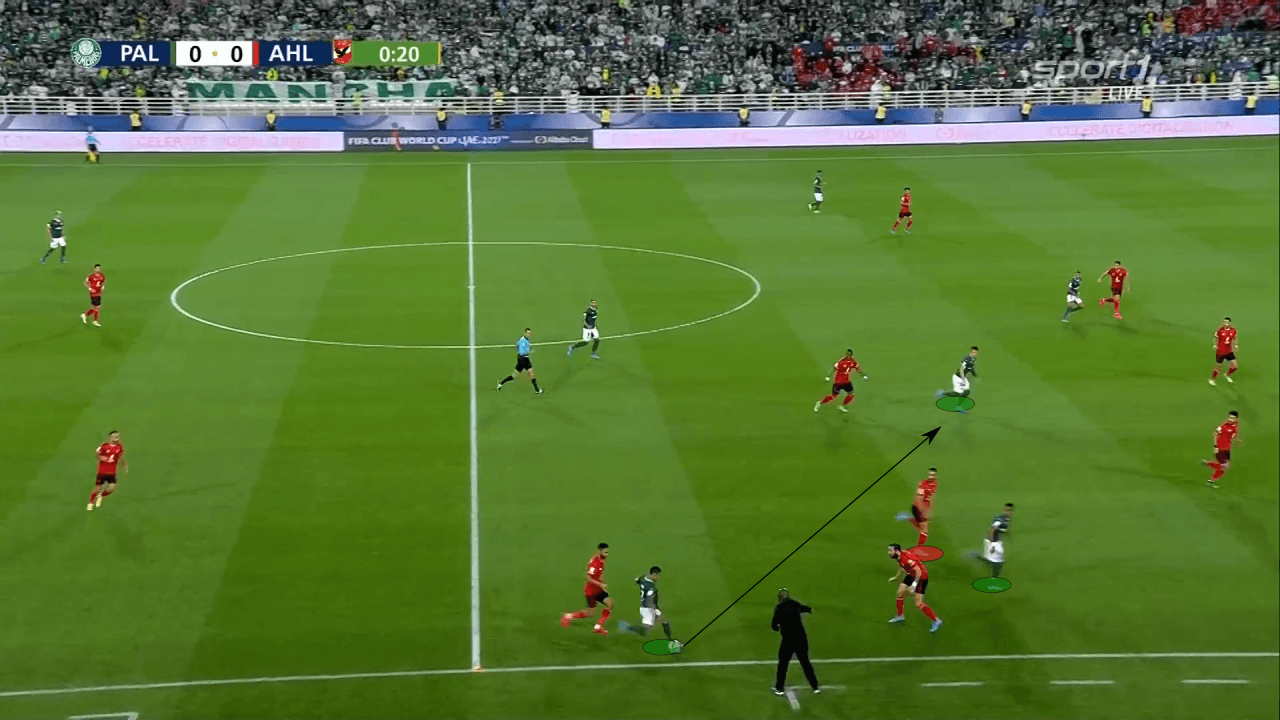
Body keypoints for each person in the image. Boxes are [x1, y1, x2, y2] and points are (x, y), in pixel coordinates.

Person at [771, 588, 820, 696]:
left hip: (788, 640)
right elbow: (803, 608)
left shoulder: (779, 608)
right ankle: (815, 687)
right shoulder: (794, 604)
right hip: (801, 639)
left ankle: (779, 688)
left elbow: (774, 626)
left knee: (783, 664)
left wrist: (778, 625)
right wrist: (809, 610)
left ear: (780, 599)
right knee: (805, 663)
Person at [887, 544, 942, 633]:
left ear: (897, 551)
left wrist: (914, 585)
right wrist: (896, 577)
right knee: (900, 592)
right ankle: (900, 616)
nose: (889, 552)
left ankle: (936, 620)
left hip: (921, 578)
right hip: (911, 574)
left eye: (890, 550)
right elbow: (902, 566)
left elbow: (918, 571)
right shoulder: (899, 556)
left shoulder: (906, 559)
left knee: (918, 603)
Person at [561, 542, 613, 635]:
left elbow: (599, 574)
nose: (607, 554)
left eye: (607, 552)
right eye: (605, 552)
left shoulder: (601, 559)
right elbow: (588, 578)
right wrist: (601, 584)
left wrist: (602, 585)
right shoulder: (595, 562)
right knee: (590, 613)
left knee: (610, 604)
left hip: (598, 589)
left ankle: (598, 627)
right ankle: (568, 616)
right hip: (591, 591)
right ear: (600, 551)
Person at [619, 566, 673, 640]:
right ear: (653, 574)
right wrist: (655, 609)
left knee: (665, 622)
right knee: (645, 629)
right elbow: (650, 599)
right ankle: (628, 628)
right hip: (648, 608)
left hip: (647, 607)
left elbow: (637, 580)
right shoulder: (651, 588)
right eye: (657, 575)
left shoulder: (643, 580)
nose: (658, 577)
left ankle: (670, 639)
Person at [896, 468, 938, 548]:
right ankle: (918, 549)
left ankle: (909, 518)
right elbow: (919, 499)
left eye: (933, 475)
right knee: (924, 532)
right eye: (929, 474)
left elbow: (931, 496)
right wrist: (923, 511)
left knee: (921, 529)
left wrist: (930, 508)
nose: (931, 476)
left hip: (924, 507)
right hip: (918, 507)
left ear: (936, 475)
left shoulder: (935, 483)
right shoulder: (922, 484)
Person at [815, 349, 866, 413]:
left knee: (851, 394)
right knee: (833, 396)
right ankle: (819, 403)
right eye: (847, 354)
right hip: (838, 382)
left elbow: (857, 368)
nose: (848, 356)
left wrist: (863, 375)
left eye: (849, 355)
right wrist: (828, 376)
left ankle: (842, 406)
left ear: (851, 355)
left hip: (847, 382)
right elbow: (834, 369)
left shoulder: (852, 361)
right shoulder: (841, 362)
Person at [88, 430, 127, 510]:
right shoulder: (104, 446)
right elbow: (97, 452)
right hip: (102, 472)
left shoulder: (119, 447)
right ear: (111, 437)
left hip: (112, 472)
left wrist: (124, 465)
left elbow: (121, 457)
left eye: (118, 437)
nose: (117, 438)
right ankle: (90, 503)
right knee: (97, 488)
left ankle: (101, 495)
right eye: (115, 437)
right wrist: (101, 457)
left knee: (112, 488)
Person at [497, 328, 542, 394]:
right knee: (516, 375)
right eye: (528, 333)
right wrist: (529, 351)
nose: (529, 334)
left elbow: (517, 344)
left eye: (529, 333)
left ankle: (537, 390)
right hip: (523, 359)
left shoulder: (523, 339)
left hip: (524, 359)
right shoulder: (523, 341)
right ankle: (501, 383)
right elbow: (523, 352)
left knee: (530, 374)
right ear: (525, 333)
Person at [1201, 411, 1239, 488]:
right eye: (1229, 417)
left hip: (1227, 449)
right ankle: (1210, 480)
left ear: (1235, 419)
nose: (1230, 419)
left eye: (1232, 418)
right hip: (1221, 449)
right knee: (1223, 467)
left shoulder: (1235, 425)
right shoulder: (1224, 426)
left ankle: (1208, 464)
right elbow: (1215, 434)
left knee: (1225, 466)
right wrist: (1215, 446)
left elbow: (1233, 434)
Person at [984, 504, 1013, 577]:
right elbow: (992, 529)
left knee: (997, 561)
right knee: (997, 562)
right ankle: (993, 578)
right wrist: (992, 544)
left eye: (1010, 511)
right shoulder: (1000, 520)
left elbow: (1004, 530)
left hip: (996, 542)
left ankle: (994, 575)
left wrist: (1008, 537)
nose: (1009, 512)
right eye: (1007, 510)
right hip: (993, 542)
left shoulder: (1006, 520)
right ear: (1005, 510)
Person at [1209, 317, 1238, 385]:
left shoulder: (1233, 330)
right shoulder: (1220, 330)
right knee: (1219, 367)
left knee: (1234, 367)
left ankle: (1227, 375)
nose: (1225, 323)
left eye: (1227, 322)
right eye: (1224, 322)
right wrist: (1215, 344)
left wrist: (1236, 345)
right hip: (1221, 351)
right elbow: (1215, 337)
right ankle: (1212, 379)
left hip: (1229, 351)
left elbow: (1234, 338)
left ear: (1230, 323)